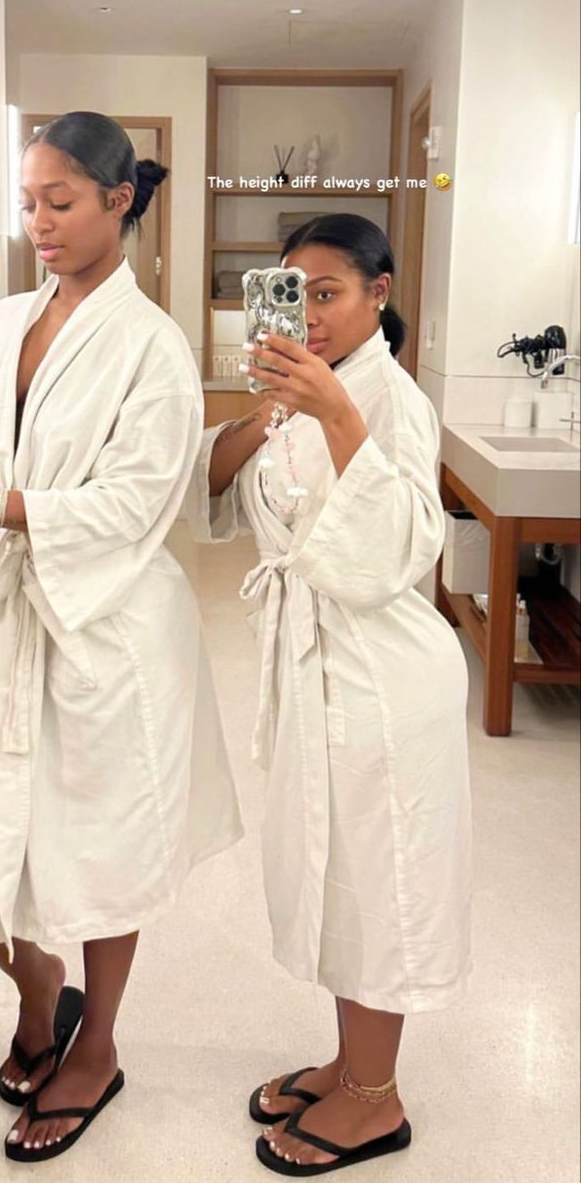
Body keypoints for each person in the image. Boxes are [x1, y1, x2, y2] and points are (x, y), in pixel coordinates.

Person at [0, 111, 242, 1164]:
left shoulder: (153, 349)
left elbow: (135, 505)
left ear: (119, 202)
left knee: (104, 855)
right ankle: (40, 993)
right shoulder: (3, 323)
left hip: (108, 633)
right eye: (27, 203)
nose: (38, 225)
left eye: (59, 203)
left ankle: (93, 1043)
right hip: (19, 624)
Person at [185, 213, 472, 1176]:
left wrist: (334, 415)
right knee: (332, 873)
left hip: (382, 678)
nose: (308, 312)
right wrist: (265, 407)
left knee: (376, 885)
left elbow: (399, 551)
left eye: (329, 293)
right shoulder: (306, 392)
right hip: (315, 668)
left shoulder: (386, 399)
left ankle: (376, 1102)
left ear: (378, 295)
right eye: (293, 291)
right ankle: (352, 1064)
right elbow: (226, 500)